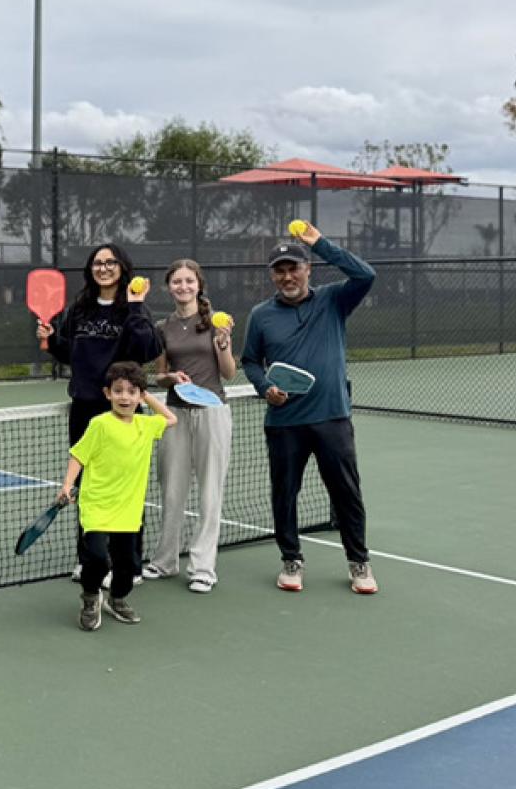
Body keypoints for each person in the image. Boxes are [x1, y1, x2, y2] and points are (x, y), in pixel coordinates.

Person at [240, 222, 377, 594]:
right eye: (280, 270)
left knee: (347, 492)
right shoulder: (261, 315)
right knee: (284, 493)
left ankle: (358, 562)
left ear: (308, 269)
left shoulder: (334, 300)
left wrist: (320, 243)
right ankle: (291, 559)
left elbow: (366, 274)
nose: (287, 276)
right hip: (285, 422)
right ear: (272, 275)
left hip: (333, 417)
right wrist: (265, 387)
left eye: (293, 268)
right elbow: (250, 361)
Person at [35, 243, 160, 583]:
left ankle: (128, 565)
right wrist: (51, 340)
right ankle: (91, 560)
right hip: (86, 408)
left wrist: (135, 308)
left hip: (123, 411)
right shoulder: (81, 308)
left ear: (122, 268)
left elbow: (147, 348)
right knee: (88, 488)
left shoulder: (134, 308)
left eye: (110, 262)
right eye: (97, 263)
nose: (103, 268)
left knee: (125, 487)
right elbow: (71, 353)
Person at [57, 362, 176, 629]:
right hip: (97, 505)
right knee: (97, 557)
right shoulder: (100, 424)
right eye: (118, 391)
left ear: (140, 396)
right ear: (107, 393)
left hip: (128, 509)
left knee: (128, 565)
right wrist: (67, 484)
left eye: (132, 392)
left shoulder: (145, 426)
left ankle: (117, 598)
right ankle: (90, 596)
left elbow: (171, 419)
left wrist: (149, 397)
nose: (125, 397)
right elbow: (79, 454)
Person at [143, 259, 236, 593]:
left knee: (210, 491)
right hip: (174, 415)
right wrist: (170, 378)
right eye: (177, 282)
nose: (183, 287)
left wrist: (223, 345)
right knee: (171, 489)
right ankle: (165, 560)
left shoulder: (215, 323)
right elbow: (159, 374)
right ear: (169, 287)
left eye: (189, 281)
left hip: (212, 413)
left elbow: (228, 373)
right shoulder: (162, 327)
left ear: (199, 285)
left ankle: (202, 567)